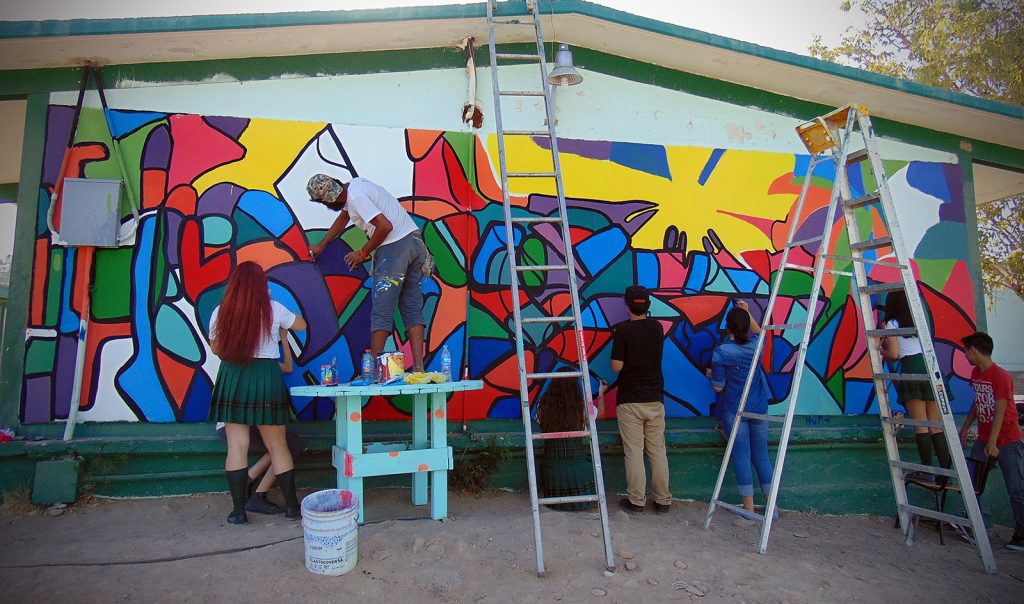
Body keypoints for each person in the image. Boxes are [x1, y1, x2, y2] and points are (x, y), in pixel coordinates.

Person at [208, 262, 307, 524]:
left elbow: (216, 349)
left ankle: (238, 512)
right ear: (262, 285)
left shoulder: (221, 311)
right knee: (278, 445)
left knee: (237, 446)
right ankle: (291, 508)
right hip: (266, 376)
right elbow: (301, 325)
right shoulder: (273, 308)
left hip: (233, 376)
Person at [307, 174, 428, 372]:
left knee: (382, 311)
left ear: (327, 200)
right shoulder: (356, 186)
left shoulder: (356, 197)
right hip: (414, 243)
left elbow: (385, 226)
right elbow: (343, 219)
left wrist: (362, 253)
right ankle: (418, 368)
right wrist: (322, 245)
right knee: (412, 308)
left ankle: (371, 372)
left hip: (394, 248)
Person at [957, 331, 1024, 551]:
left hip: (1007, 440)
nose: (965, 355)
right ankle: (976, 525)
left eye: (966, 351)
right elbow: (978, 403)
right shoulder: (976, 374)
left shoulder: (1001, 376)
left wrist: (993, 443)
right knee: (973, 483)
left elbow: (1001, 411)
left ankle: (1022, 533)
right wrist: (965, 429)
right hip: (984, 438)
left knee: (1015, 487)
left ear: (974, 351)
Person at [709, 301, 775, 518]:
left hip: (735, 410)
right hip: (758, 407)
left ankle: (748, 508)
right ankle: (772, 507)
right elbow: (760, 332)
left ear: (728, 327)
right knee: (762, 455)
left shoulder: (722, 352)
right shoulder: (756, 346)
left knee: (741, 456)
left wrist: (711, 375)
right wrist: (747, 312)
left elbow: (718, 386)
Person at [610, 285, 672, 514]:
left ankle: (636, 500)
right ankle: (663, 500)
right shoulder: (657, 328)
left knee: (634, 451)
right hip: (655, 397)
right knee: (657, 451)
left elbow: (617, 367)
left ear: (627, 306)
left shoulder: (623, 331)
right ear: (648, 305)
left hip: (630, 399)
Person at [880, 290, 950, 483]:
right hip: (931, 368)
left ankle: (926, 470)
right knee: (935, 425)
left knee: (921, 425)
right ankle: (946, 473)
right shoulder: (919, 321)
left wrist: (882, 350)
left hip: (912, 368)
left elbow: (894, 354)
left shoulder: (893, 324)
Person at [536, 372, 606, 511]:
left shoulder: (542, 405)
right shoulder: (582, 405)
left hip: (552, 471)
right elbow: (602, 415)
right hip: (578, 469)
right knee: (599, 466)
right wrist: (601, 394)